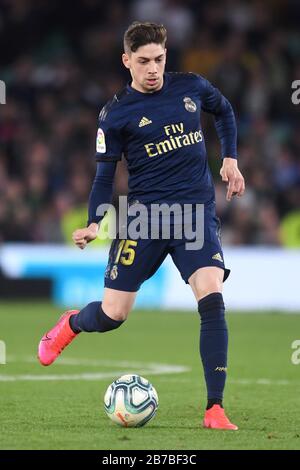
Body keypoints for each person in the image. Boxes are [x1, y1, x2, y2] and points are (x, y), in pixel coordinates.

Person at [38, 21, 245, 430]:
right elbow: (103, 178)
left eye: (160, 60)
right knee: (113, 315)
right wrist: (95, 222)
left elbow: (224, 110)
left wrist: (231, 157)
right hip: (144, 219)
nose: (154, 69)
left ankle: (215, 408)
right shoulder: (115, 115)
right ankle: (73, 323)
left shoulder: (191, 87)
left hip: (193, 215)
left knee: (212, 296)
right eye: (145, 61)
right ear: (126, 60)